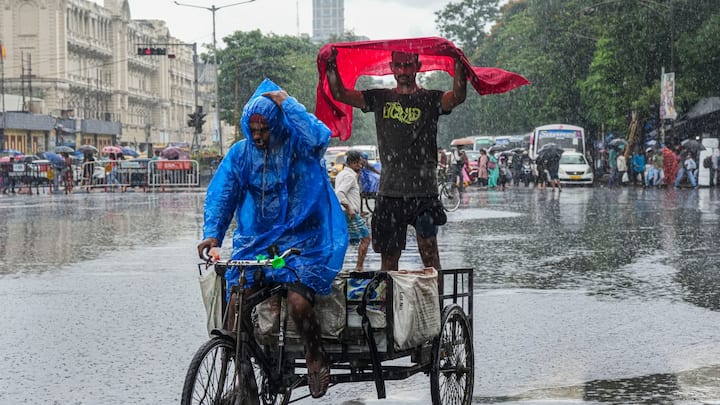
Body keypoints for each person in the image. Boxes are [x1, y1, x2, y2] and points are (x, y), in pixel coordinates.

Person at [196, 79, 347, 399]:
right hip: (257, 243)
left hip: (301, 240)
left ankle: (314, 354)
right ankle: (245, 374)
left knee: (297, 302)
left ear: (276, 124)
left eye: (264, 129)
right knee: (235, 308)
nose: (259, 136)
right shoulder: (241, 153)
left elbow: (321, 136)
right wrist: (213, 235)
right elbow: (222, 195)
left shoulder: (299, 145)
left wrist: (287, 102)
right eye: (253, 130)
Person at [326, 47, 467, 274]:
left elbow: (458, 96)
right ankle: (387, 309)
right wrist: (331, 64)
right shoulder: (380, 98)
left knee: (430, 258)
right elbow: (341, 93)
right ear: (391, 68)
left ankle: (435, 308)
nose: (403, 71)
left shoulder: (431, 99)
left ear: (418, 67)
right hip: (390, 192)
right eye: (399, 66)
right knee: (389, 263)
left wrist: (458, 64)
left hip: (424, 193)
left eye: (408, 65)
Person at [334, 150, 371, 272]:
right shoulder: (349, 176)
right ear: (354, 163)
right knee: (366, 238)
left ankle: (336, 266)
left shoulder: (343, 174)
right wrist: (349, 208)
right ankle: (359, 267)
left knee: (344, 240)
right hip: (348, 213)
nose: (361, 166)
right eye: (359, 163)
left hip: (343, 213)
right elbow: (339, 194)